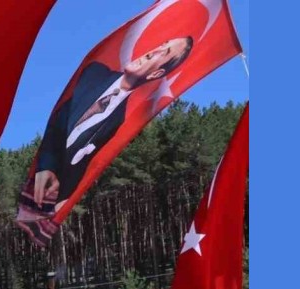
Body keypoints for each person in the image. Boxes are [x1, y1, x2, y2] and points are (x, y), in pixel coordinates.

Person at [19, 37, 195, 244]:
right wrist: (46, 165)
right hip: (38, 181)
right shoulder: (93, 73)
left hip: (55, 195)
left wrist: (67, 199)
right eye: (161, 43)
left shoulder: (119, 120)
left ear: (156, 74)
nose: (152, 50)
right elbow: (59, 123)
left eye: (163, 53)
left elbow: (84, 162)